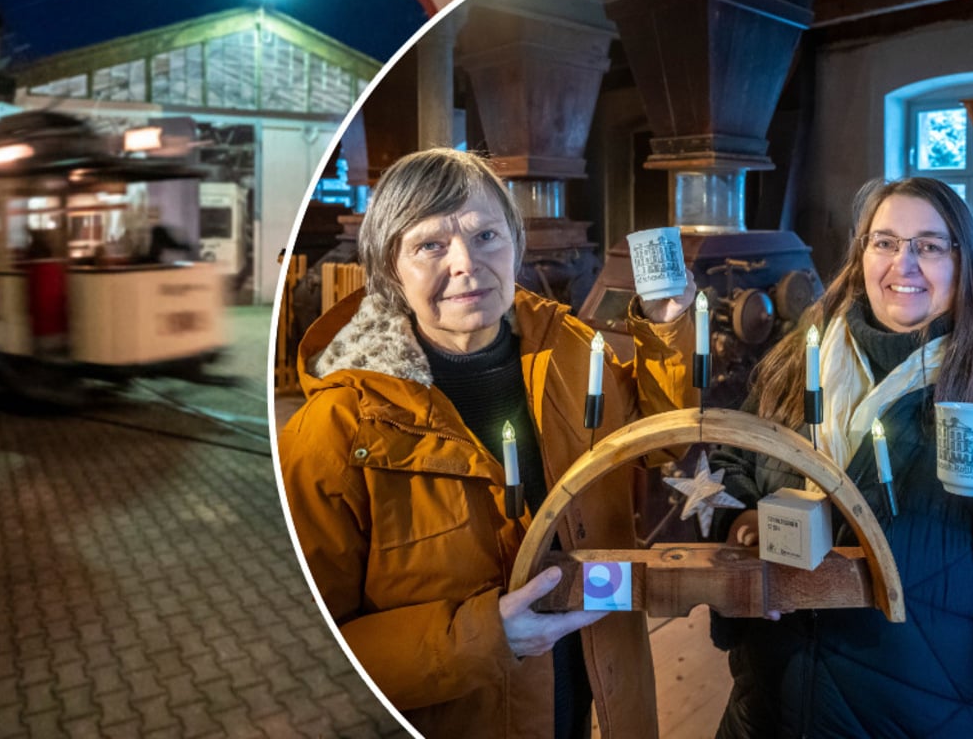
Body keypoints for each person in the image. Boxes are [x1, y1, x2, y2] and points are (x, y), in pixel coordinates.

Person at [278, 148, 698, 739]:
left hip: (597, 698)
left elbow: (660, 442)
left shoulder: (572, 353)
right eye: (429, 245)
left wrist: (667, 330)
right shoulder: (334, 432)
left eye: (485, 235)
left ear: (516, 246)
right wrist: (482, 638)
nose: (467, 264)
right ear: (388, 268)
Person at [711, 177, 973, 737]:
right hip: (769, 705)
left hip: (926, 712)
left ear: (964, 259)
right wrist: (738, 524)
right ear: (861, 253)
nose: (904, 263)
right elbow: (730, 456)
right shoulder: (803, 354)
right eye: (885, 242)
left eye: (929, 245)